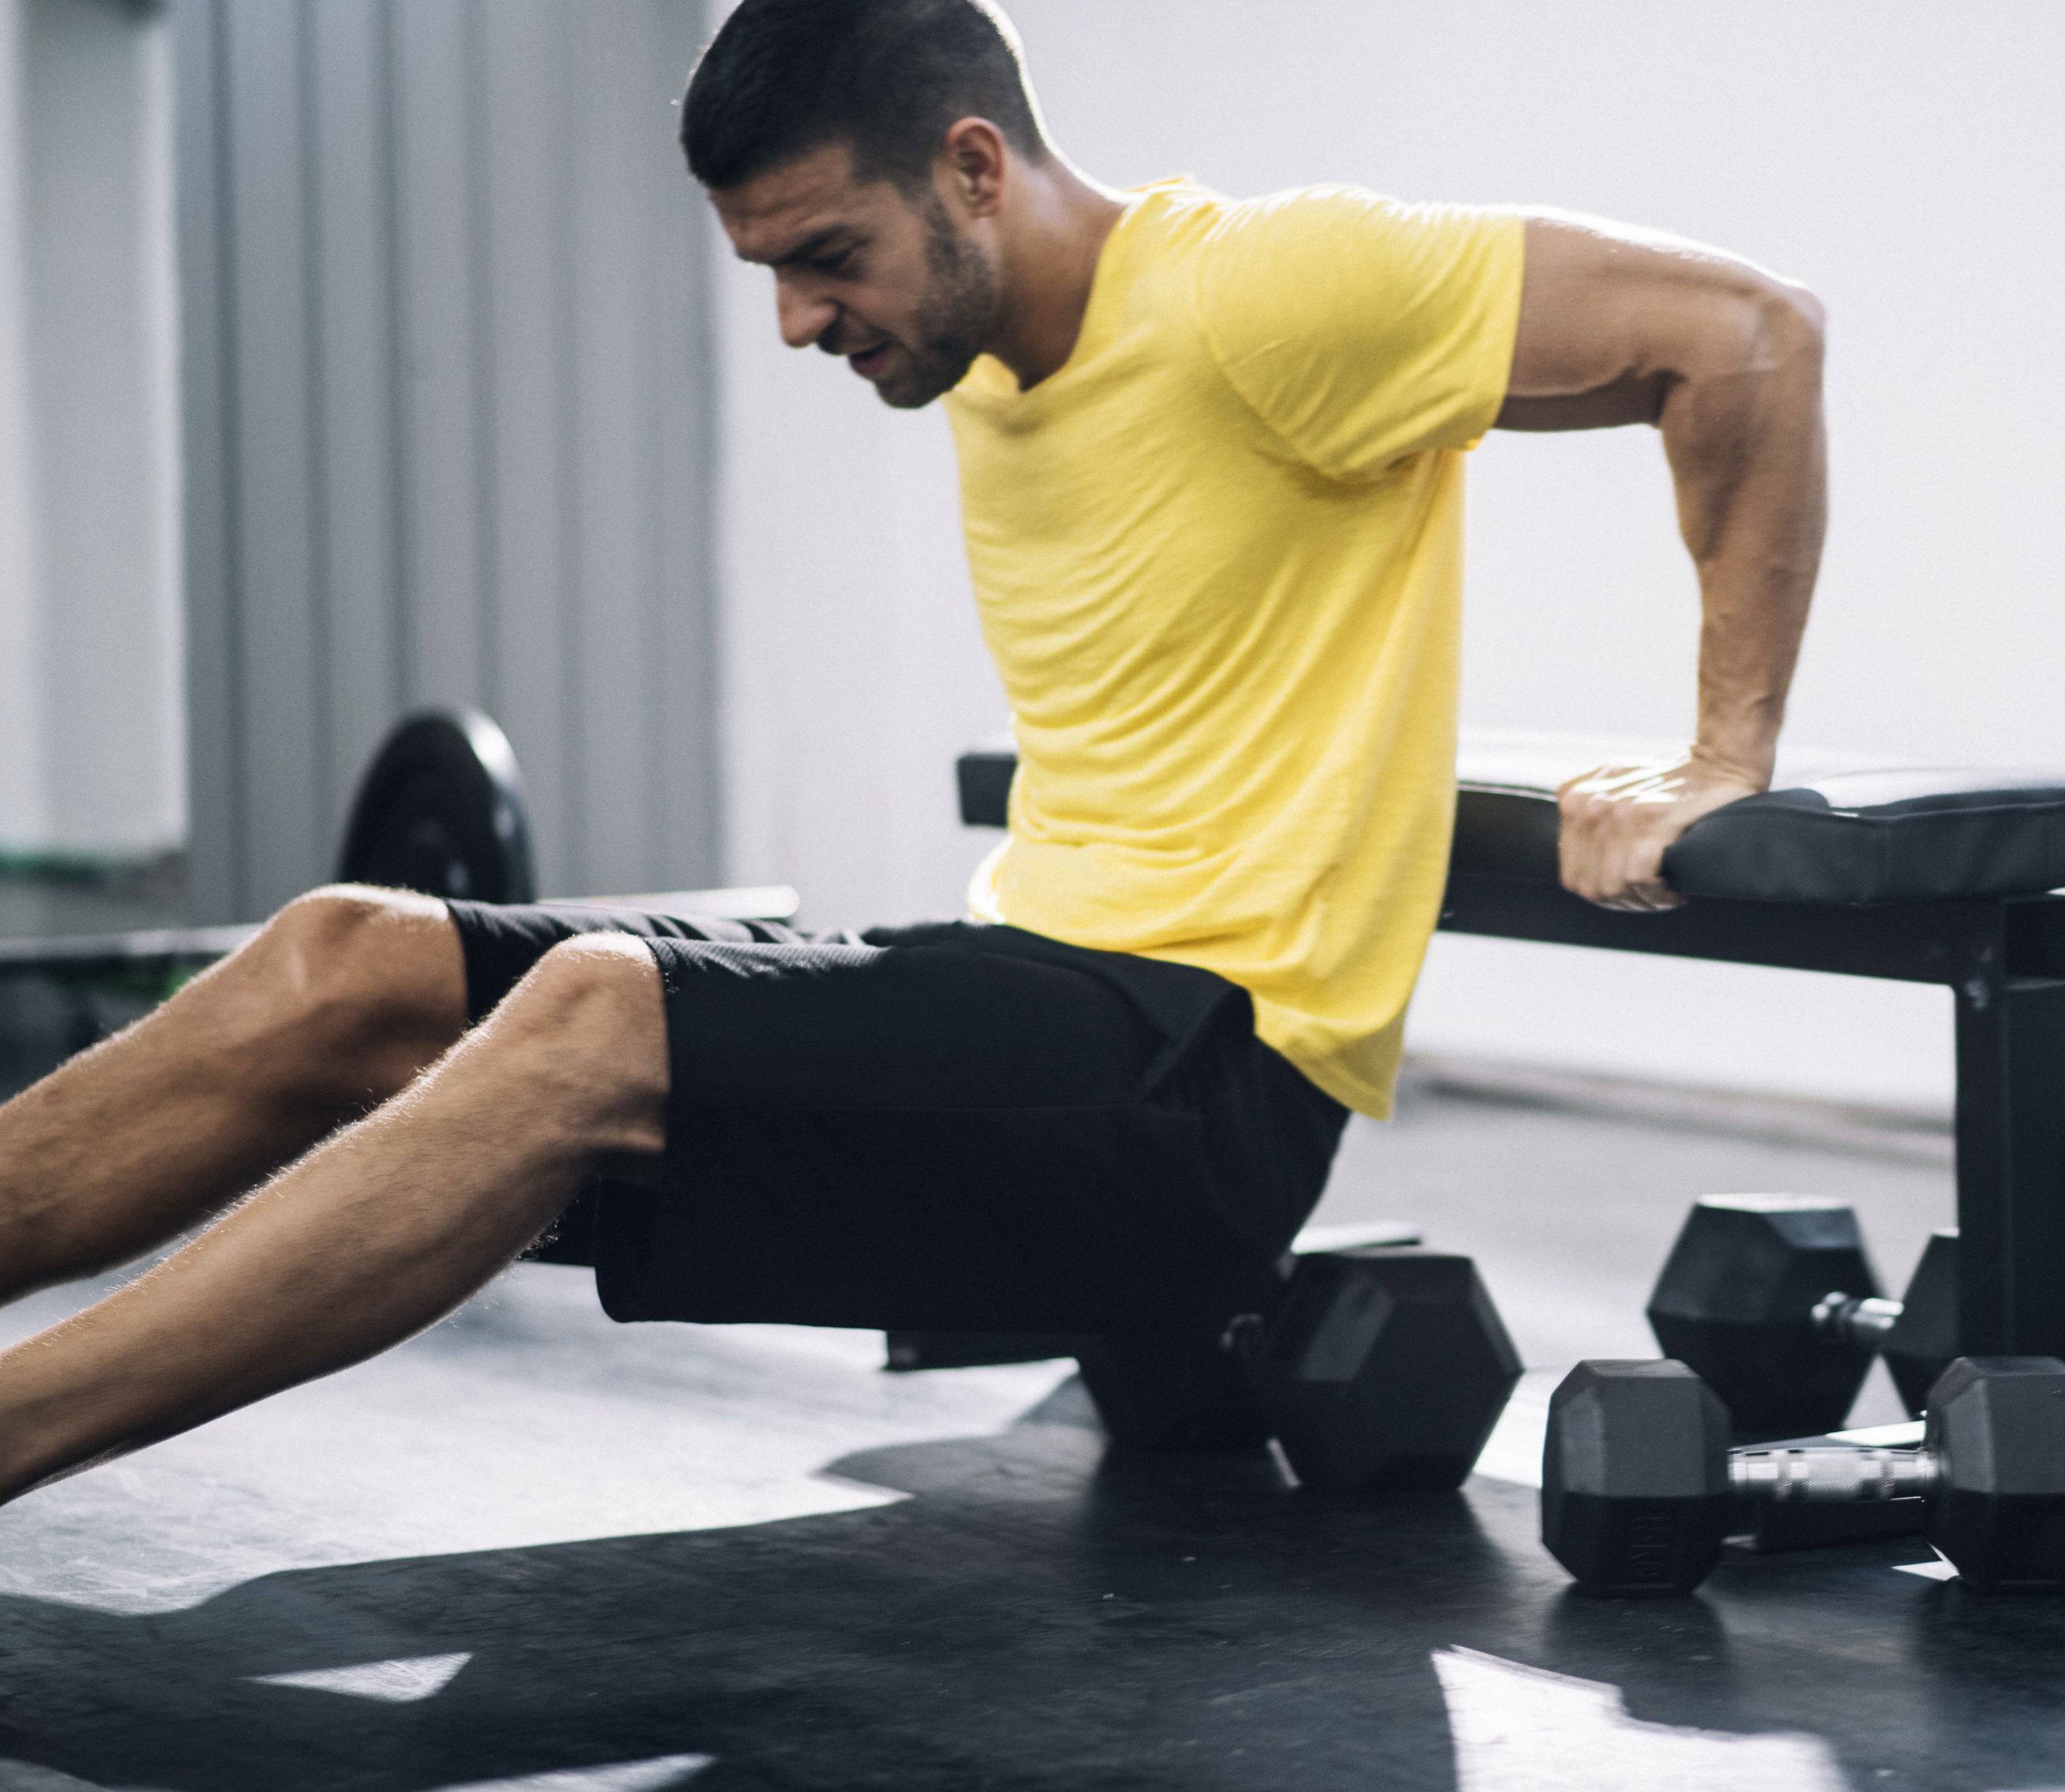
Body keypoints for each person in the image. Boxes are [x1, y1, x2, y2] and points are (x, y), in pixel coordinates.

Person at [0, 0, 1825, 1507]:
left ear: (972, 168)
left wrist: (1713, 755)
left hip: (1201, 1082)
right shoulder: (993, 358)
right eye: (770, 272)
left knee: (589, 1012)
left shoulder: (1269, 290)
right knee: (346, 958)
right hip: (1032, 998)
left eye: (826, 257)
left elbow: (1739, 337)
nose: (798, 317)